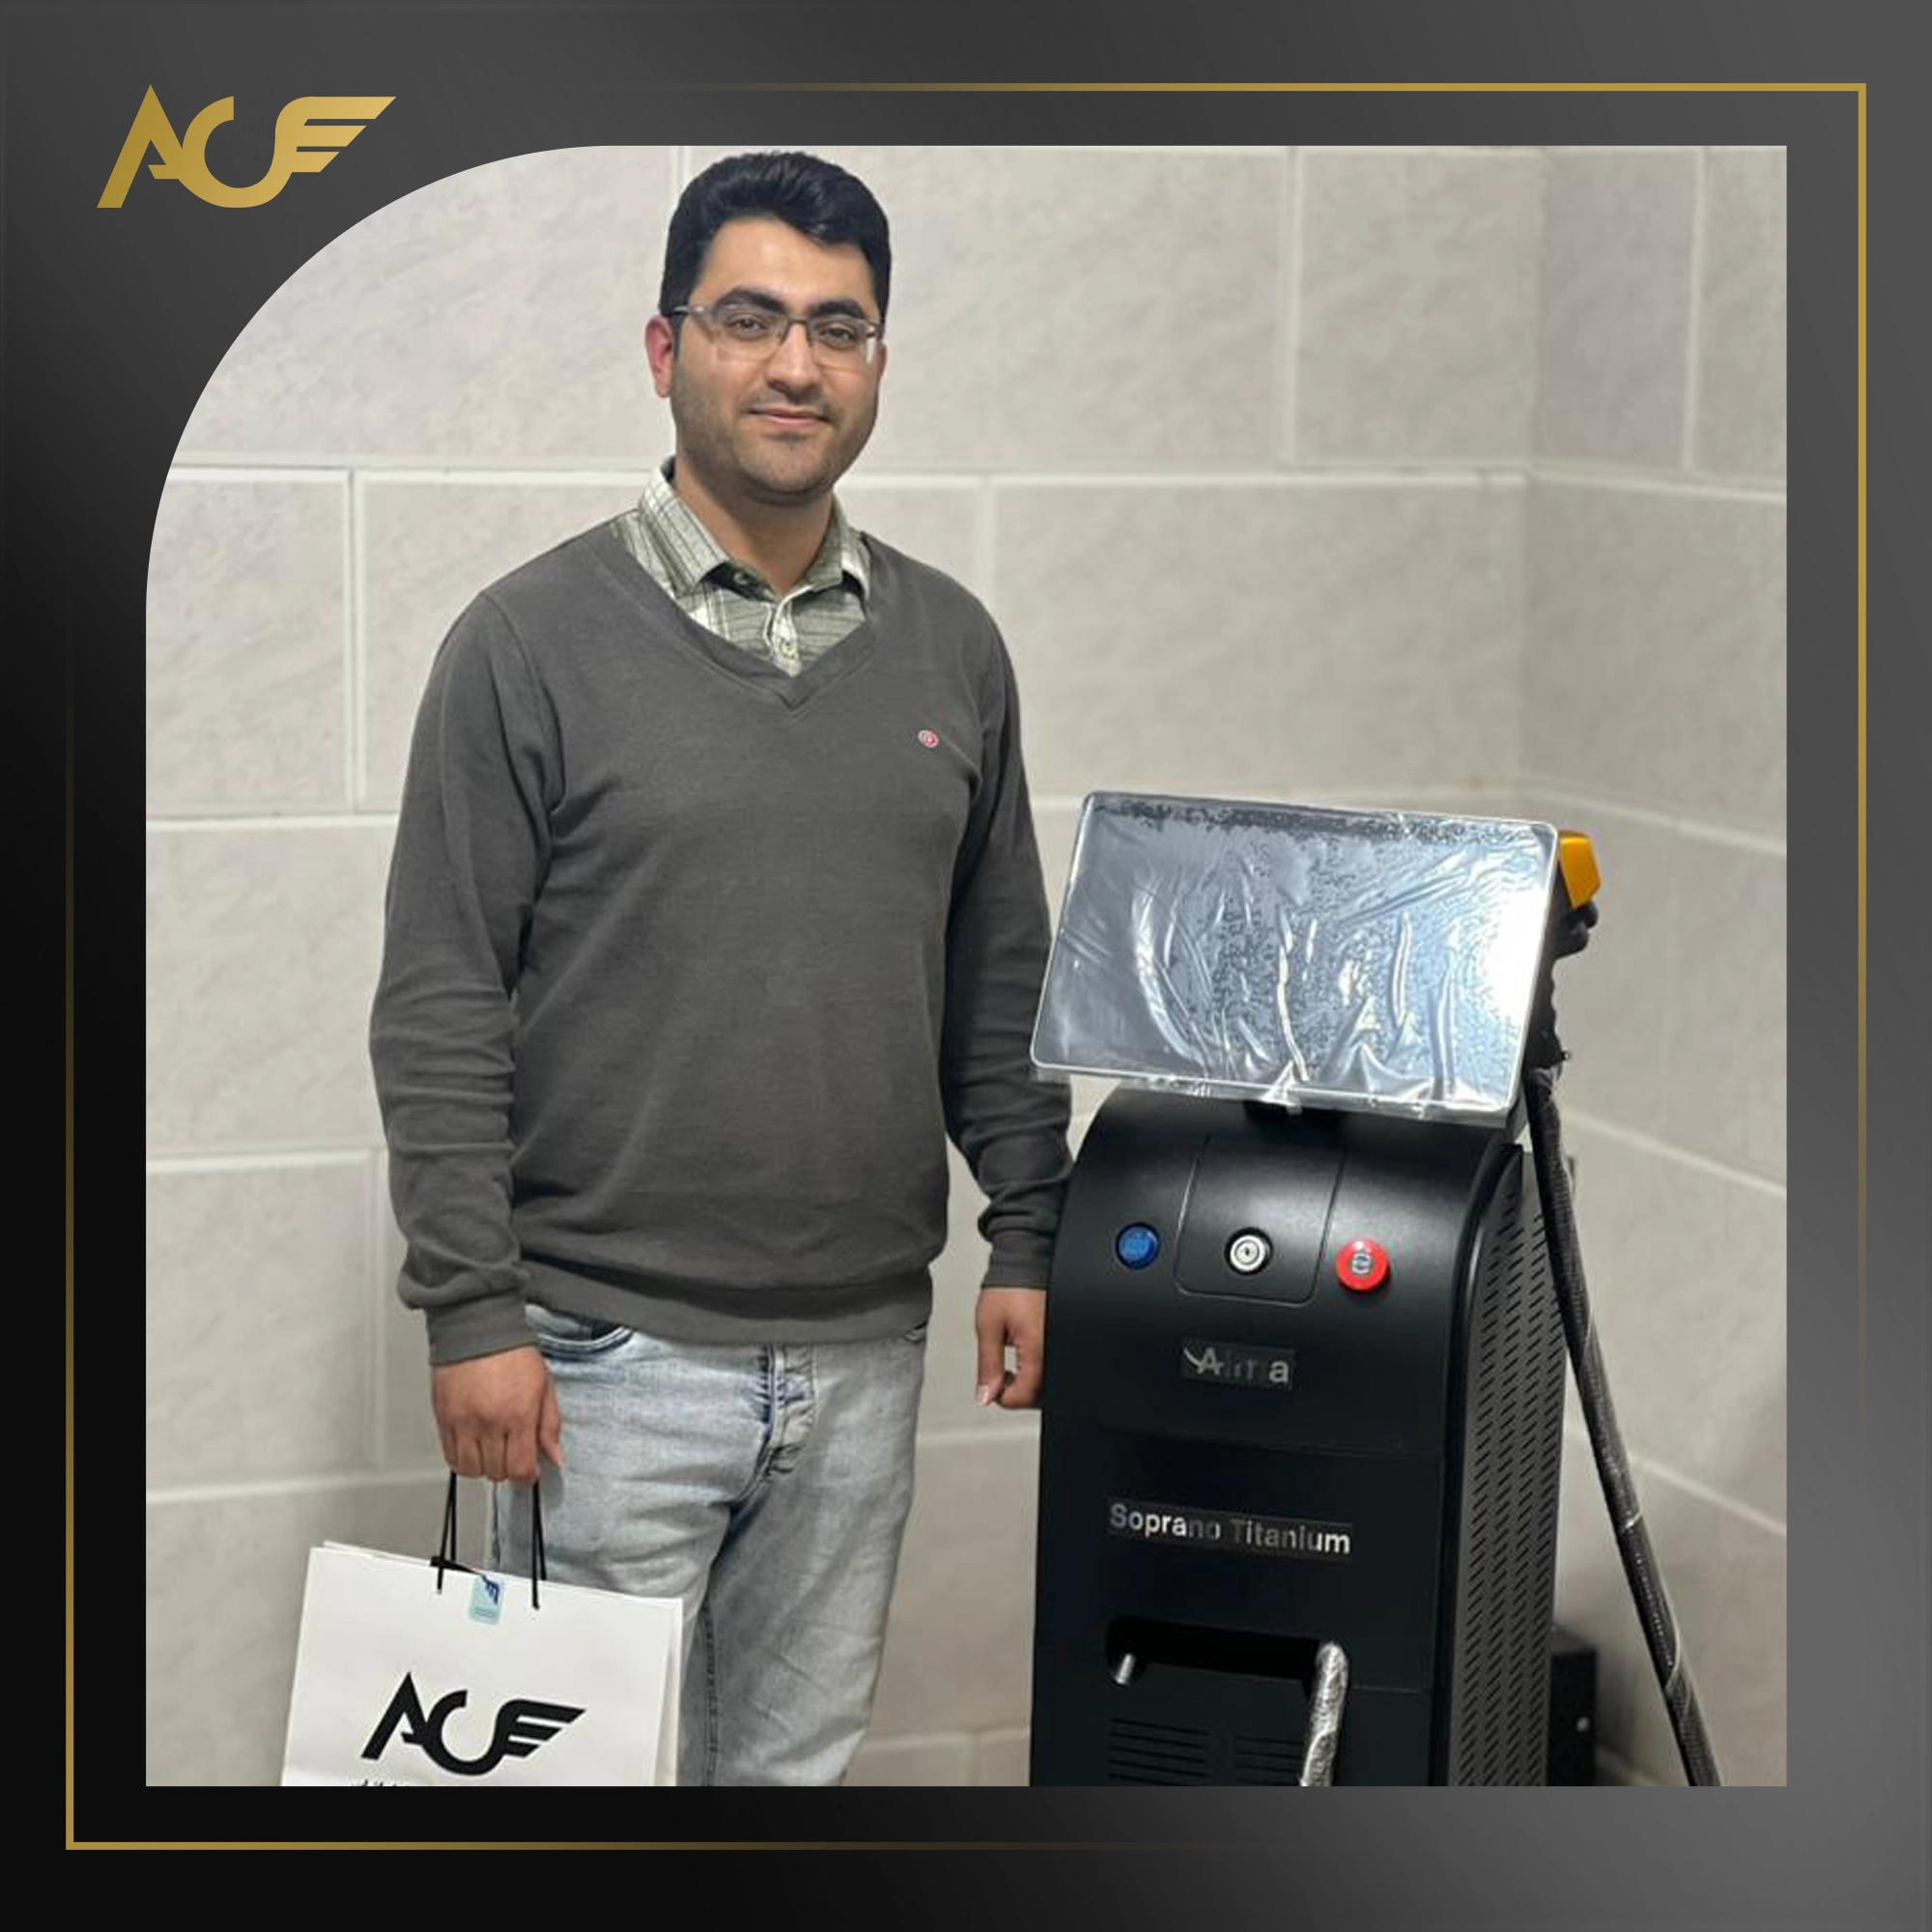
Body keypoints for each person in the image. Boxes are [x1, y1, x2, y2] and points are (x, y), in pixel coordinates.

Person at [366, 150, 1072, 1786]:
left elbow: (999, 969)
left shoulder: (953, 650)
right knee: (577, 1810)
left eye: (839, 327)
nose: (795, 364)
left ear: (878, 361)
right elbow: (442, 999)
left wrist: (1029, 1228)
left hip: (866, 1356)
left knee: (791, 1787)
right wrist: (471, 1311)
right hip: (598, 1361)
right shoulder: (526, 645)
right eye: (750, 319)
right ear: (664, 347)